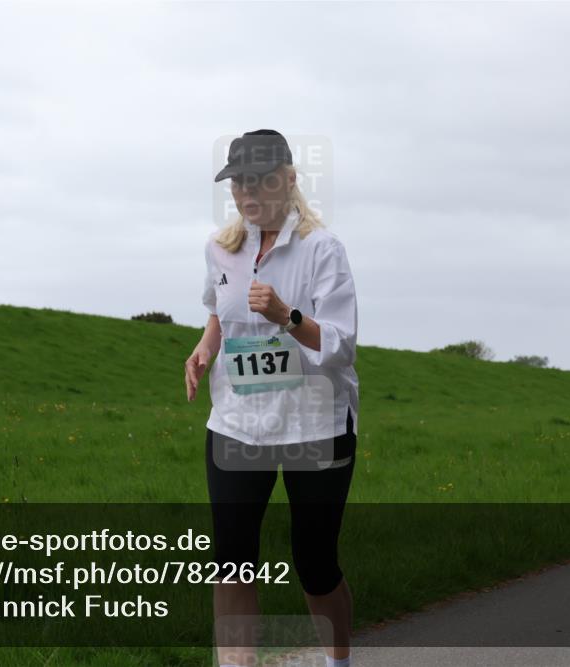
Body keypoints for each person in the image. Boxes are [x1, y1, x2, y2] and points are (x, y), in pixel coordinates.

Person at [185, 129, 359, 667]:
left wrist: (287, 316)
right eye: (238, 182)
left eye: (260, 180)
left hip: (315, 422)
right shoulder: (222, 246)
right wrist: (205, 346)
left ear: (289, 179)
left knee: (314, 562)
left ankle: (338, 662)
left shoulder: (322, 249)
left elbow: (341, 344)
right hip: (239, 421)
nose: (247, 192)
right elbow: (220, 305)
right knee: (232, 560)